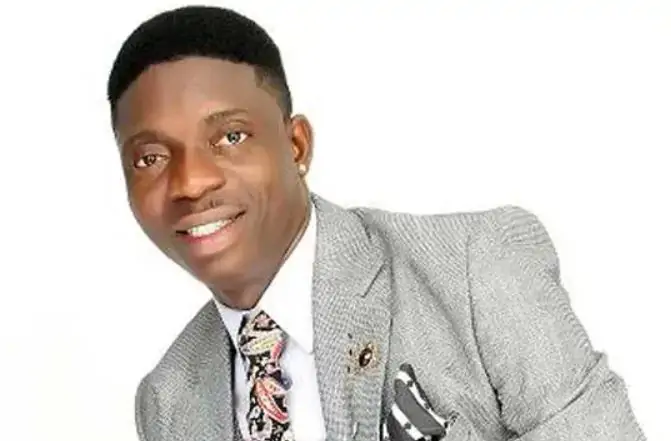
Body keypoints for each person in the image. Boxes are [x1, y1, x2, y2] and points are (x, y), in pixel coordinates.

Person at [107, 5, 646, 441]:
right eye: (150, 158)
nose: (190, 182)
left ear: (296, 145)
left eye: (230, 137)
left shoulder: (474, 269)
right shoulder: (167, 400)